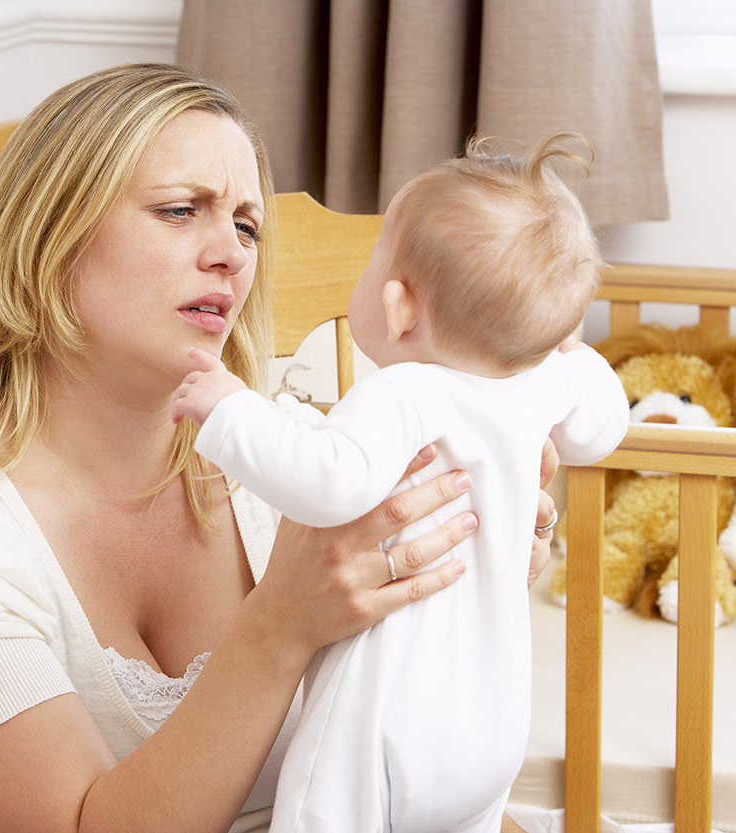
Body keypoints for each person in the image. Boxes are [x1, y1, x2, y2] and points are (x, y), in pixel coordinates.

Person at [0, 63, 559, 833]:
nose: (232, 256)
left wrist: (470, 567)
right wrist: (280, 623)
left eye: (246, 225)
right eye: (180, 210)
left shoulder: (292, 461)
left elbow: (405, 733)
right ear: (47, 236)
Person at [170, 134, 629, 832]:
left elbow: (329, 482)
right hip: (492, 725)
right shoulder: (544, 382)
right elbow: (601, 428)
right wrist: (570, 350)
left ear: (398, 306)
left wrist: (230, 409)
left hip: (390, 724)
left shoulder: (405, 393)